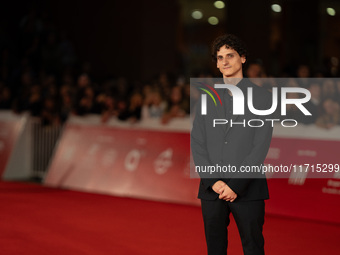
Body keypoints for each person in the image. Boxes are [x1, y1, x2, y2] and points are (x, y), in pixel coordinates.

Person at [191, 34, 273, 255]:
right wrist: (212, 180)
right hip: (212, 189)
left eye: (230, 55)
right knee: (215, 249)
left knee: (253, 247)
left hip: (248, 188)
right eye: (219, 57)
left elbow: (260, 147)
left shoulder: (262, 98)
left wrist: (235, 185)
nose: (224, 61)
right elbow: (197, 143)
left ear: (243, 58)